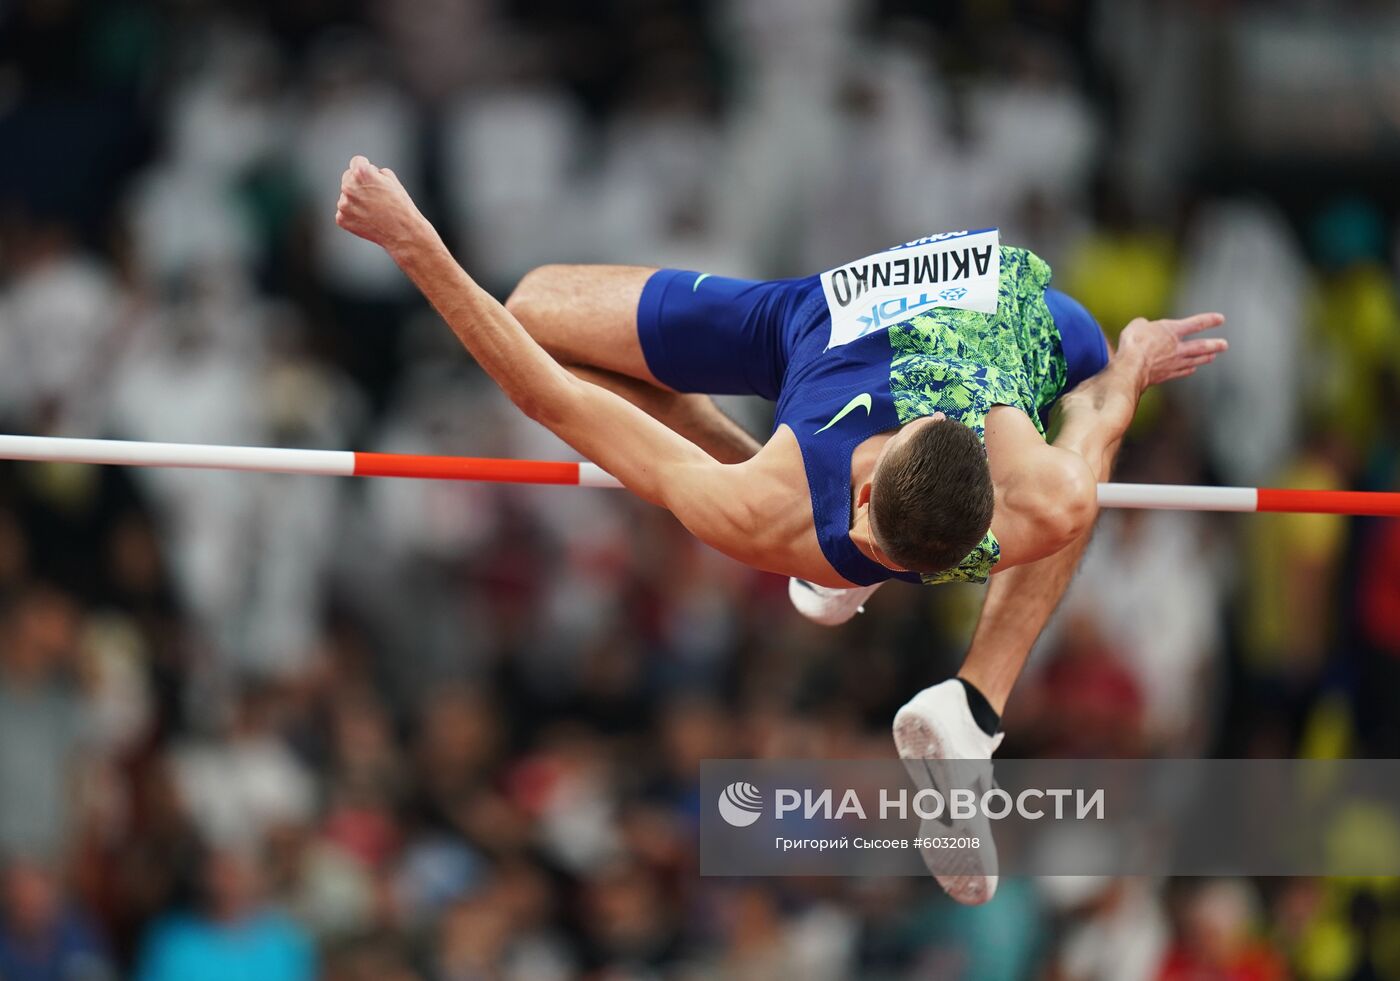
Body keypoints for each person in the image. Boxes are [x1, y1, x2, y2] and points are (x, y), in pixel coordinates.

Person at [332, 155, 1227, 905]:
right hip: (852, 317)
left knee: (541, 333)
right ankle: (962, 696)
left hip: (886, 330)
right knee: (536, 311)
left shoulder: (770, 507)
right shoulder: (1042, 494)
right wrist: (1138, 357)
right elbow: (1105, 405)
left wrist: (414, 241)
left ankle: (971, 704)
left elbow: (543, 396)